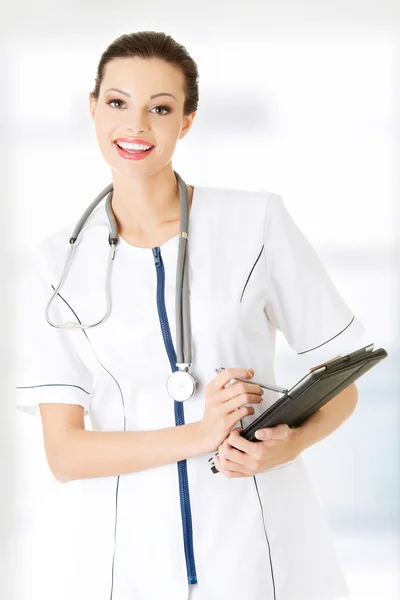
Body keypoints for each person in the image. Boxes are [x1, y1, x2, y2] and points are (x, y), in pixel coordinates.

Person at [14, 30, 366, 600]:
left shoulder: (256, 224)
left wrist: (292, 443)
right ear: (93, 107)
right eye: (117, 102)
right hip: (126, 557)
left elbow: (342, 378)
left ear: (187, 120)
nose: (136, 126)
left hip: (257, 540)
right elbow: (65, 454)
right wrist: (198, 434)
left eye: (161, 108)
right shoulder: (56, 263)